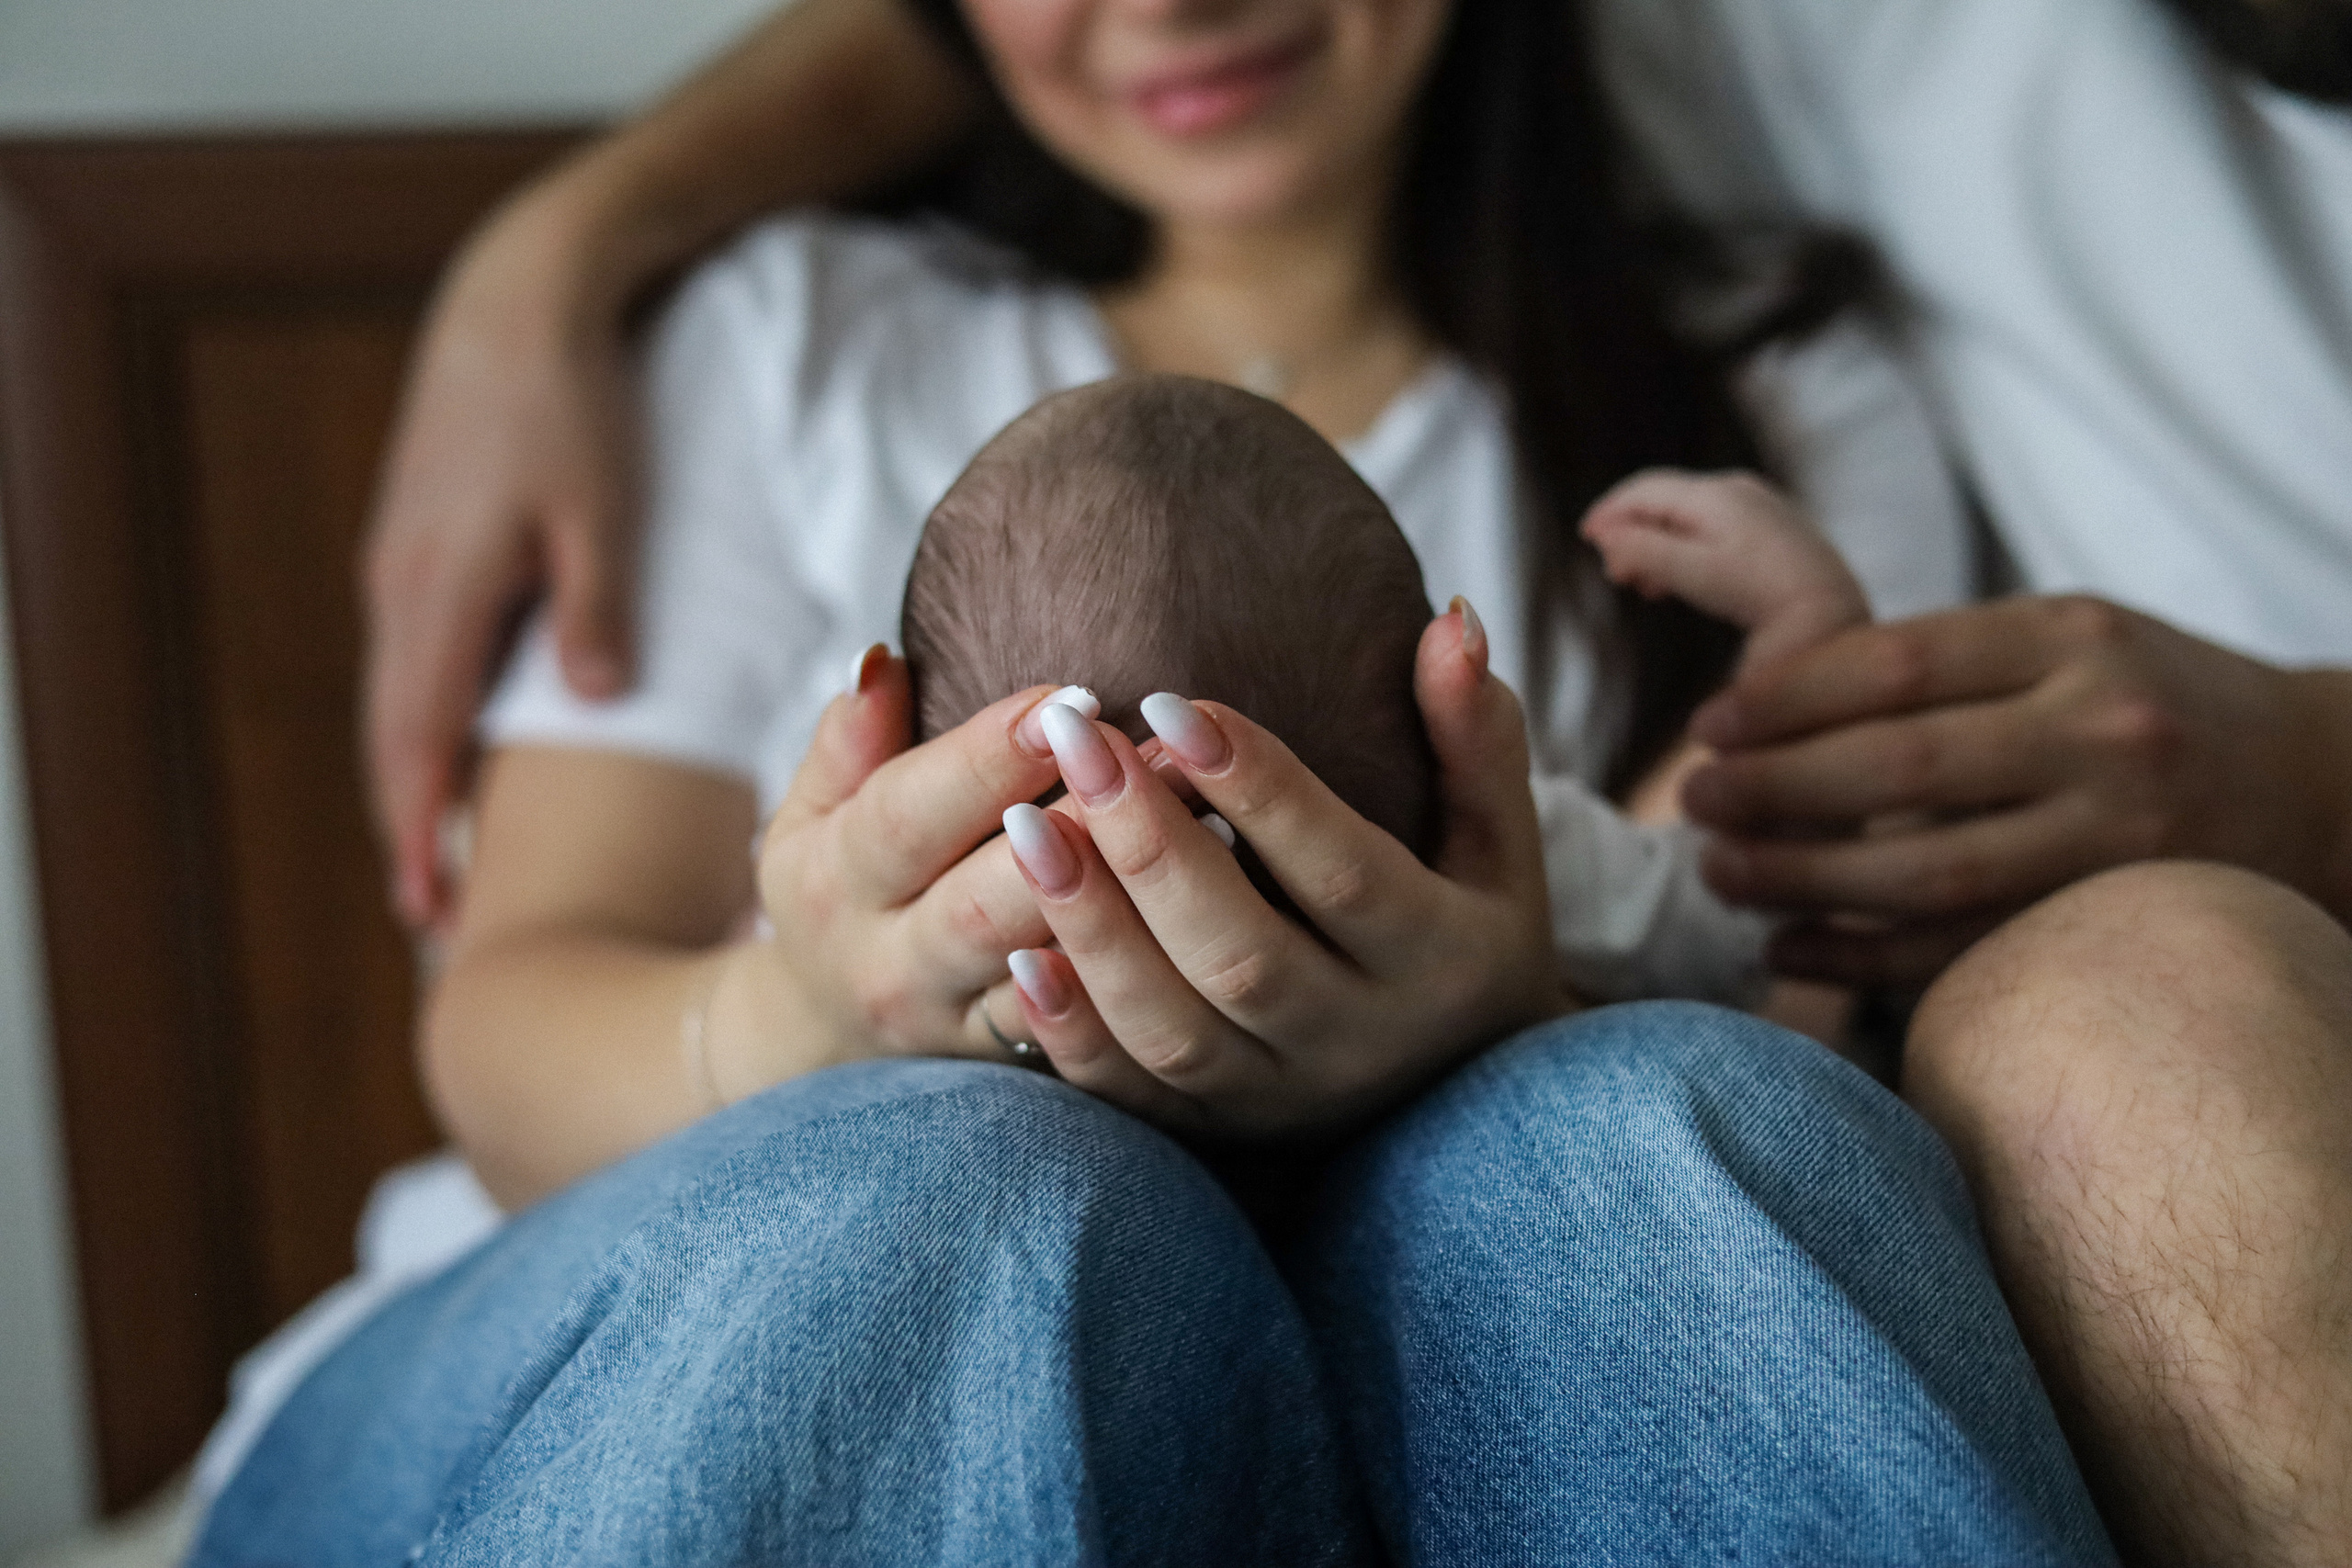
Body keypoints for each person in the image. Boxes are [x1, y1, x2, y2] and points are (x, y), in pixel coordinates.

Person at [354, 0, 2352, 1558]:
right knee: (970, 1180)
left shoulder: (1757, 384)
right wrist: (796, 1010)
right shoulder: (788, 340)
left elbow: (1786, 952)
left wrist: (1510, 1011)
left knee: (1649, 1111)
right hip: (704, 1287)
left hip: (1419, 1300)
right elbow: (509, 1018)